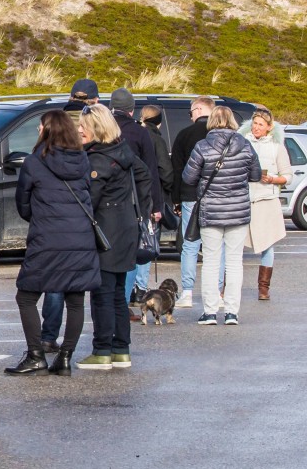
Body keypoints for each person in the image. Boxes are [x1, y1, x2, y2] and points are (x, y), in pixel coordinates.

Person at [5, 111, 101, 375]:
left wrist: (40, 217)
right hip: (81, 238)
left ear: (46, 131)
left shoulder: (35, 162)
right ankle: (66, 357)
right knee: (75, 299)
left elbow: (23, 204)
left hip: (47, 238)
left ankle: (36, 354)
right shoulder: (83, 159)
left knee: (26, 296)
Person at [73, 104, 152, 371]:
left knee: (102, 293)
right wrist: (140, 208)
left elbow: (89, 201)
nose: (79, 130)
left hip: (106, 231)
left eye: (83, 126)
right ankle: (121, 349)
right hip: (126, 227)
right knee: (118, 292)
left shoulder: (97, 160)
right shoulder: (122, 151)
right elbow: (143, 176)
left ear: (96, 128)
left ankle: (102, 350)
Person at [182, 106, 261, 325]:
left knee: (210, 261)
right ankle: (232, 312)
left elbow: (188, 178)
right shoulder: (245, 145)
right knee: (235, 261)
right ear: (233, 122)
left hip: (211, 211)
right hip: (238, 212)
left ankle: (209, 311)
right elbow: (255, 175)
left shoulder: (202, 146)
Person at [108, 89, 163, 308]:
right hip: (133, 202)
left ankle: (107, 300)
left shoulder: (101, 129)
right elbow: (151, 171)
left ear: (111, 107)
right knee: (130, 252)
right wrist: (156, 206)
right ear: (132, 110)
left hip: (103, 200)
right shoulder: (140, 133)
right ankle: (122, 300)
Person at [171, 96, 216, 309]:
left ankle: (187, 292)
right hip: (217, 196)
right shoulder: (223, 136)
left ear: (198, 110)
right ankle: (216, 292)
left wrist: (176, 199)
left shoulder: (185, 135)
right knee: (216, 246)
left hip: (190, 195)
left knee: (190, 244)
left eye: (191, 112)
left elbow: (177, 169)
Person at [243, 108, 291, 301]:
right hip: (245, 199)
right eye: (255, 123)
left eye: (261, 124)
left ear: (269, 128)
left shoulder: (277, 147)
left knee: (268, 245)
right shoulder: (243, 142)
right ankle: (225, 287)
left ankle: (263, 288)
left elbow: (287, 176)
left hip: (267, 200)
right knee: (234, 245)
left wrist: (272, 179)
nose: (256, 127)